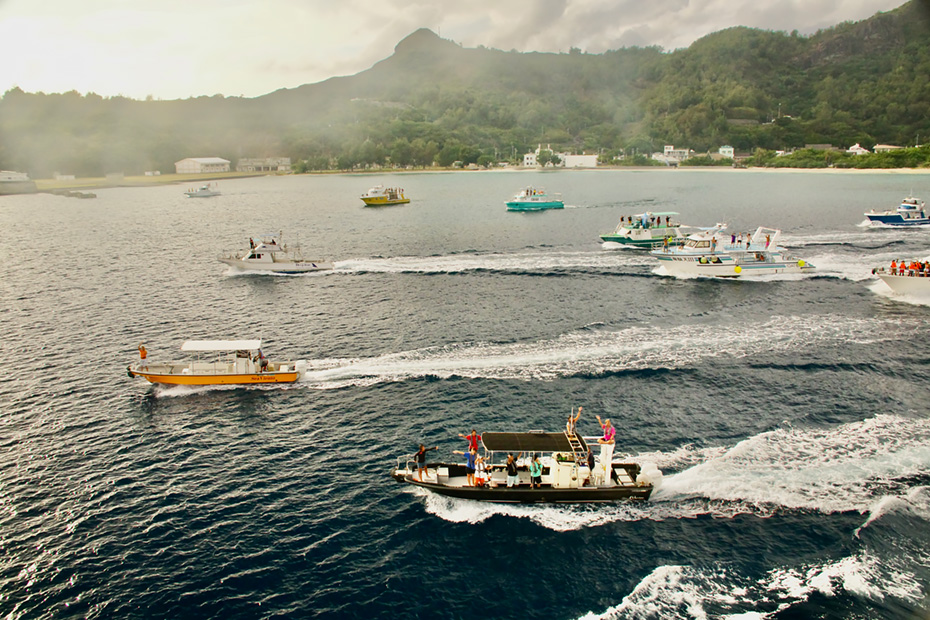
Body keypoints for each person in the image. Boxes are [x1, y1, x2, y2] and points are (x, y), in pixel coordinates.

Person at [595, 414, 616, 484]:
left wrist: (610, 439)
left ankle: (606, 443)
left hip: (609, 440)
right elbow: (601, 425)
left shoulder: (612, 428)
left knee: (611, 441)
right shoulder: (605, 427)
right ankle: (605, 443)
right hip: (605, 439)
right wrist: (599, 420)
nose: (606, 424)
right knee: (599, 440)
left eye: (607, 423)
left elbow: (612, 435)